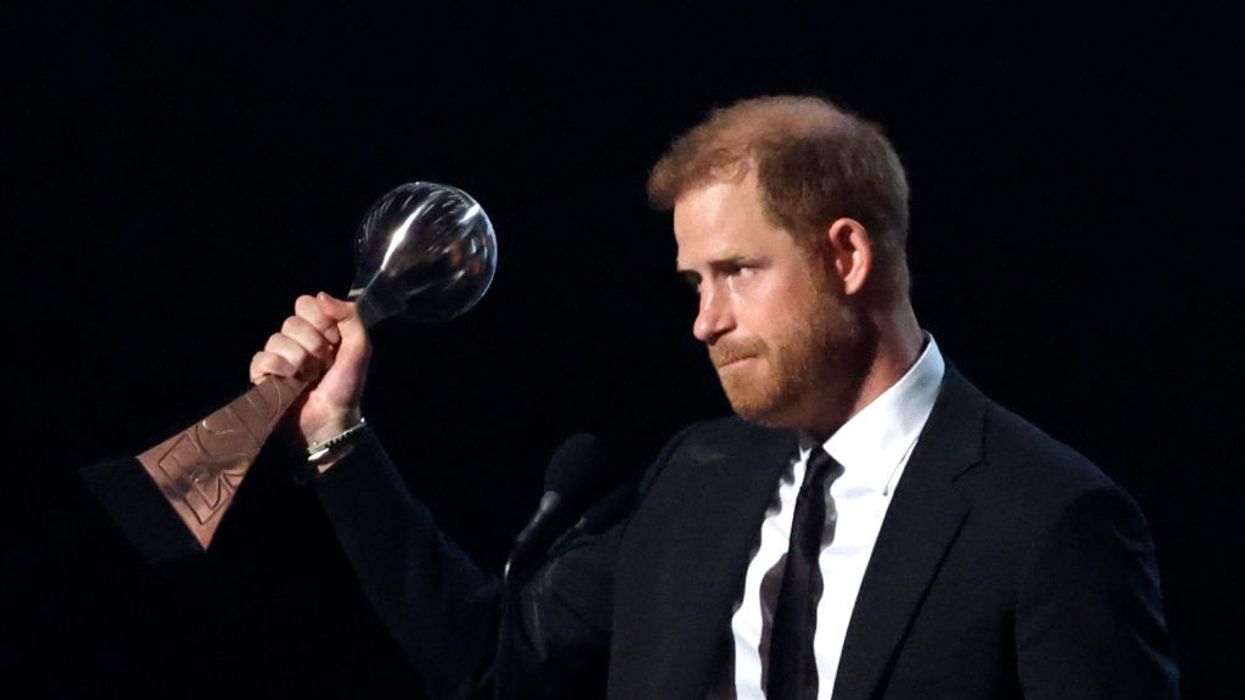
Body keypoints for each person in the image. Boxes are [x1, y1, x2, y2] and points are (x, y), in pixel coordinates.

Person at [249, 95, 1179, 699]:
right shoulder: (696, 478)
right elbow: (490, 664)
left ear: (845, 256)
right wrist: (337, 435)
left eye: (735, 272)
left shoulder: (1049, 520)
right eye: (694, 282)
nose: (704, 321)